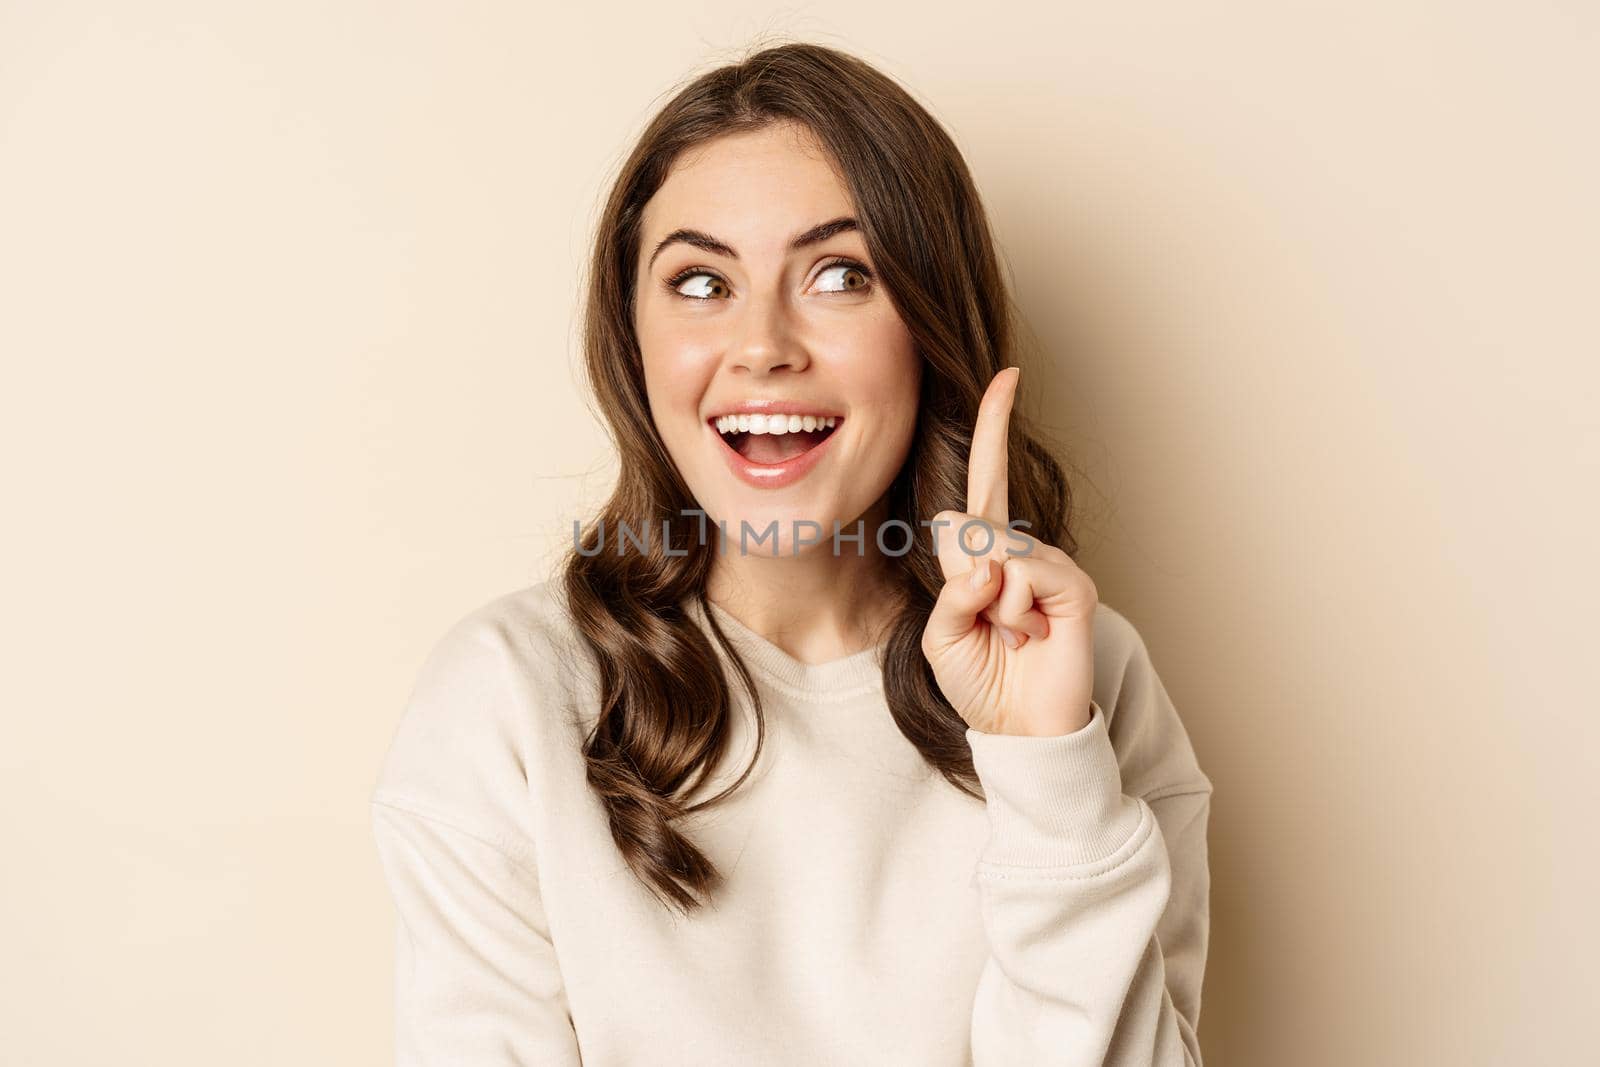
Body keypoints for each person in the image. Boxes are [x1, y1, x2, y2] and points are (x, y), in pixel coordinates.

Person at [370, 40, 1213, 1067]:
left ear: (930, 323)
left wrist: (1045, 767)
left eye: (839, 273)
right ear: (632, 341)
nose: (763, 342)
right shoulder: (508, 695)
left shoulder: (1087, 678)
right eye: (697, 280)